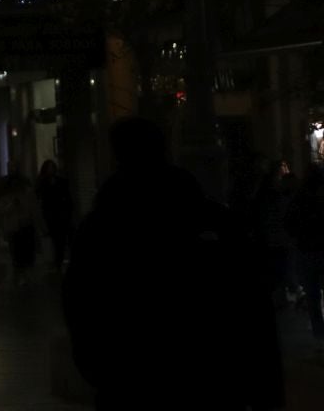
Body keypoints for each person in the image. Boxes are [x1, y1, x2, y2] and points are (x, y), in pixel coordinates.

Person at [63, 117, 282, 409]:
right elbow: (252, 301)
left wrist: (101, 369)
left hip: (130, 381)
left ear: (117, 155)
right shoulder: (208, 218)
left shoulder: (101, 227)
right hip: (208, 379)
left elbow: (81, 302)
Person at [286, 165, 324, 345]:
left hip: (305, 249)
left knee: (312, 294)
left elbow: (289, 224)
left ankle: (318, 332)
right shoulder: (319, 199)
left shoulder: (298, 200)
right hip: (318, 248)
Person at [0, 170, 39, 286]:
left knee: (27, 251)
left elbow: (32, 210)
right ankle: (20, 275)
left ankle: (26, 274)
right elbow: (2, 211)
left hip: (26, 226)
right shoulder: (5, 197)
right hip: (13, 228)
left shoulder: (27, 194)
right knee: (16, 253)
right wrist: (12, 204)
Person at [35, 161, 74, 272]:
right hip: (50, 215)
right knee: (54, 239)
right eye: (49, 168)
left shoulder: (61, 181)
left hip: (61, 214)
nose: (51, 170)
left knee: (60, 240)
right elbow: (39, 198)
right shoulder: (42, 182)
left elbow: (67, 197)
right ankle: (56, 261)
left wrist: (68, 211)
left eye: (52, 168)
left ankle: (58, 262)